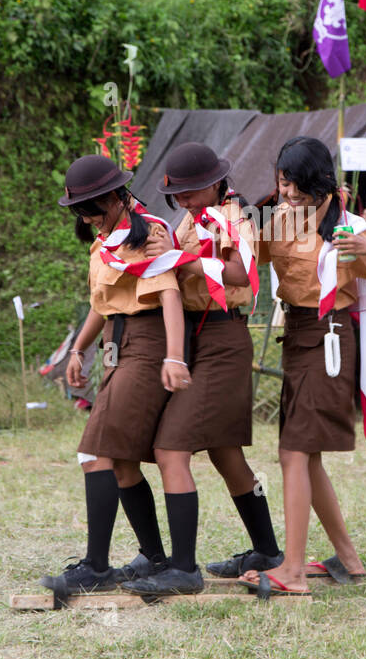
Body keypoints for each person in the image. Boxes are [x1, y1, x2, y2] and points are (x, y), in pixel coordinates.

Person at [241, 137, 366, 597]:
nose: (289, 195)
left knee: (294, 453)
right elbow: (241, 259)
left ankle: (292, 571)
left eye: (297, 187)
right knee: (305, 454)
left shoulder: (351, 229)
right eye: (282, 184)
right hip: (295, 337)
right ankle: (348, 559)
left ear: (320, 184)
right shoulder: (274, 220)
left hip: (330, 338)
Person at [121, 142, 283, 594]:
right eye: (178, 195)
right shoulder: (194, 218)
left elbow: (240, 275)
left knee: (172, 448)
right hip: (197, 336)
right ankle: (267, 550)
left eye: (191, 192)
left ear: (214, 183)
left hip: (222, 337)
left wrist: (187, 260)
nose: (184, 201)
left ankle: (183, 568)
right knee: (225, 452)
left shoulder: (234, 217)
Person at [43, 154, 190, 594]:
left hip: (147, 349)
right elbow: (101, 303)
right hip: (116, 346)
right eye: (80, 212)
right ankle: (154, 556)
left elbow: (169, 296)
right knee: (123, 462)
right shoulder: (105, 241)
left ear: (113, 198)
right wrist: (78, 349)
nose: (86, 219)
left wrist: (176, 357)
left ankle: (96, 567)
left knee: (95, 454)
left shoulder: (150, 234)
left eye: (90, 209)